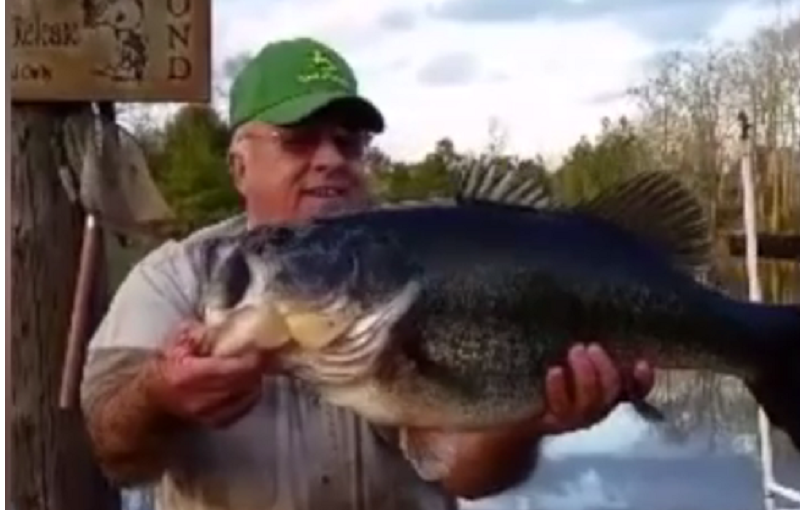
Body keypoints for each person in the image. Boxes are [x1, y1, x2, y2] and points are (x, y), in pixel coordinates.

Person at [80, 37, 655, 510]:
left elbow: (465, 476)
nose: (330, 158)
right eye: (298, 139)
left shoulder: (414, 259)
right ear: (239, 165)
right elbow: (114, 450)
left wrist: (531, 420)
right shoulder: (179, 276)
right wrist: (159, 396)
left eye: (348, 142)